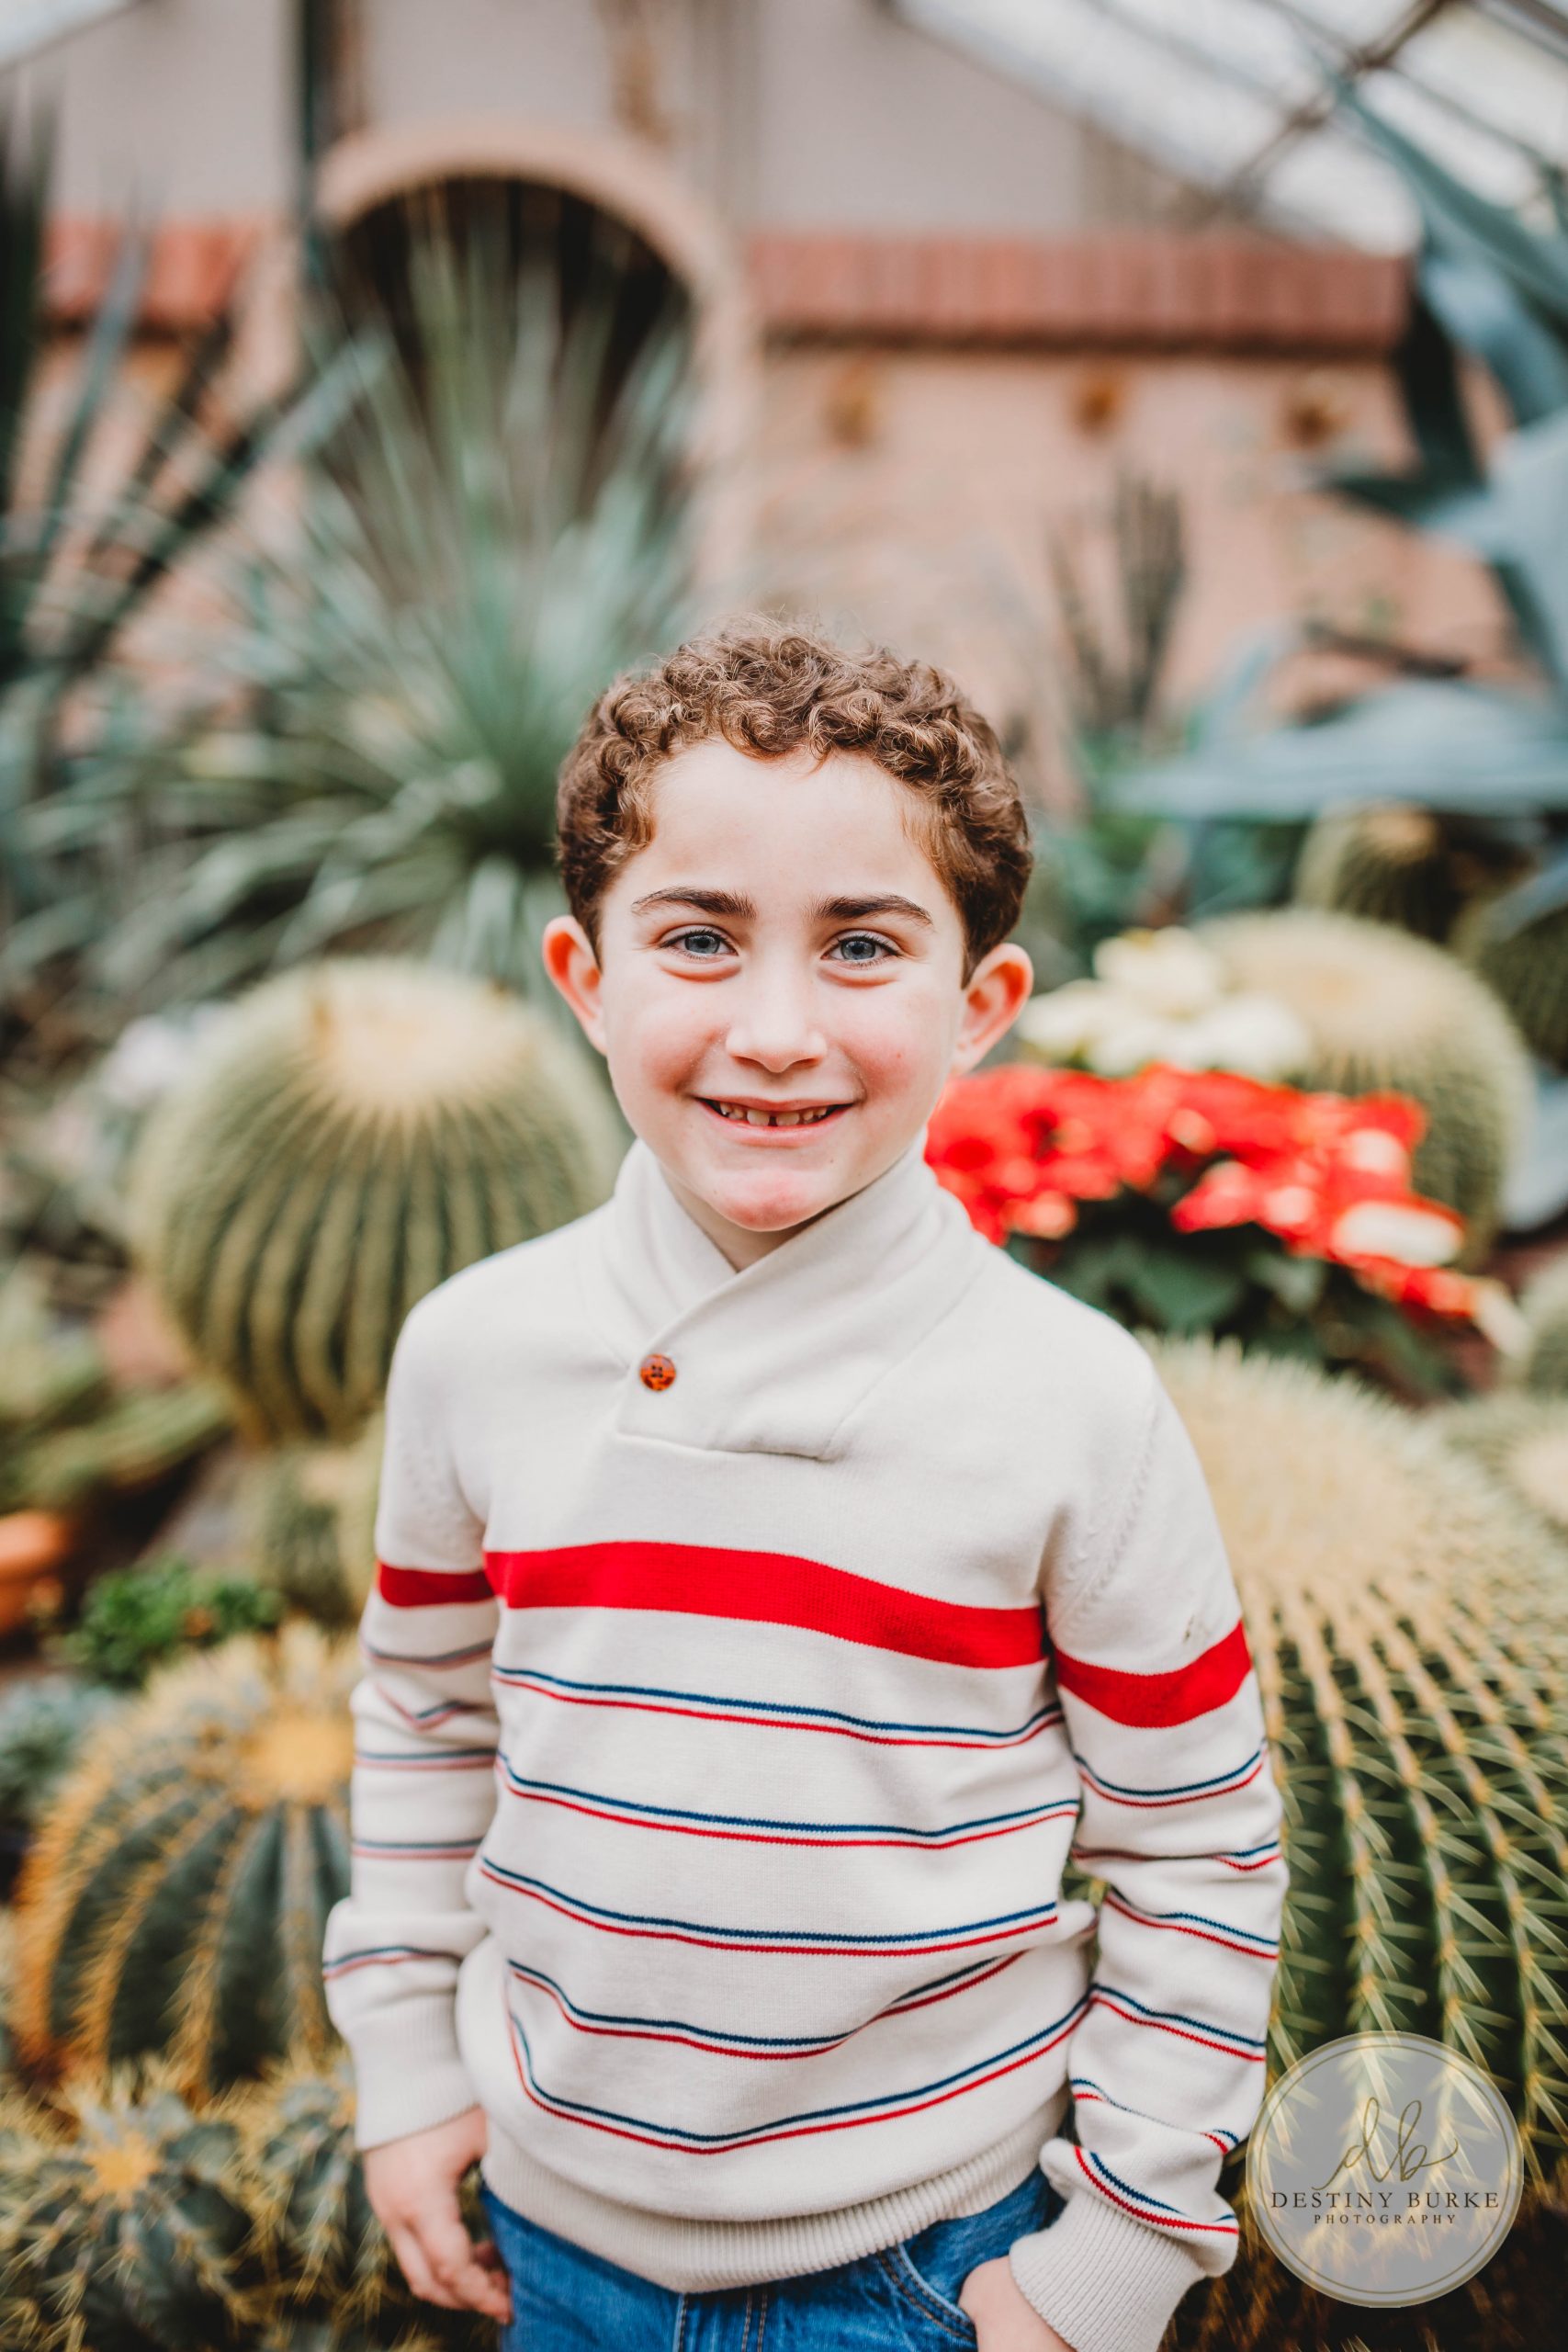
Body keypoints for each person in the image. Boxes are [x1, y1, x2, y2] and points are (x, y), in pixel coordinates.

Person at [321, 618, 1289, 2352]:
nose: (776, 1030)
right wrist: (406, 2064)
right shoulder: (476, 1352)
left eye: (861, 946)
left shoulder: (1069, 1403)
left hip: (927, 2259)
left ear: (980, 1003)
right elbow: (425, 1720)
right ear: (585, 975)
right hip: (554, 2241)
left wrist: (1121, 2250)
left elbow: (1198, 1846)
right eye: (699, 939)